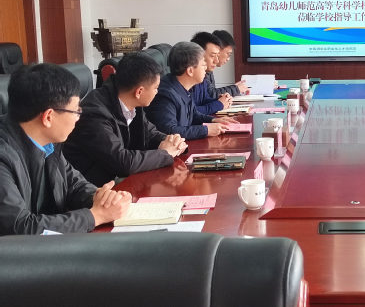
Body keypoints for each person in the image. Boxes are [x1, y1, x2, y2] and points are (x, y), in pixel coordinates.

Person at [0, 64, 130, 235]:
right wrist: (95, 216)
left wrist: (102, 198)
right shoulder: (4, 156)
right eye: (76, 111)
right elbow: (19, 227)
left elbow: (73, 185)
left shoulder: (48, 142)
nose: (78, 118)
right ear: (48, 117)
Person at [64, 53, 188, 186]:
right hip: (94, 187)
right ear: (139, 92)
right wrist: (165, 153)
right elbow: (123, 162)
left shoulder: (130, 102)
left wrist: (173, 142)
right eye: (156, 88)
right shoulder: (95, 114)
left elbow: (150, 133)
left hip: (119, 180)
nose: (157, 92)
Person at [146, 42, 237, 140]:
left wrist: (214, 120)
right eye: (203, 65)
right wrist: (206, 130)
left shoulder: (184, 87)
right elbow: (169, 131)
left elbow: (193, 115)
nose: (206, 68)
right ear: (190, 71)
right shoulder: (166, 95)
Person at [190, 32, 233, 114]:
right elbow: (189, 113)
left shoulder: (202, 78)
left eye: (217, 56)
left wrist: (221, 100)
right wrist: (219, 104)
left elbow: (203, 101)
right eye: (213, 56)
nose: (216, 61)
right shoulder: (185, 82)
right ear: (198, 56)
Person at [208, 30, 249, 97]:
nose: (228, 59)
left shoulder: (209, 68)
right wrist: (235, 89)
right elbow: (209, 95)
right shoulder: (203, 68)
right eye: (228, 54)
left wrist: (234, 88)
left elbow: (211, 93)